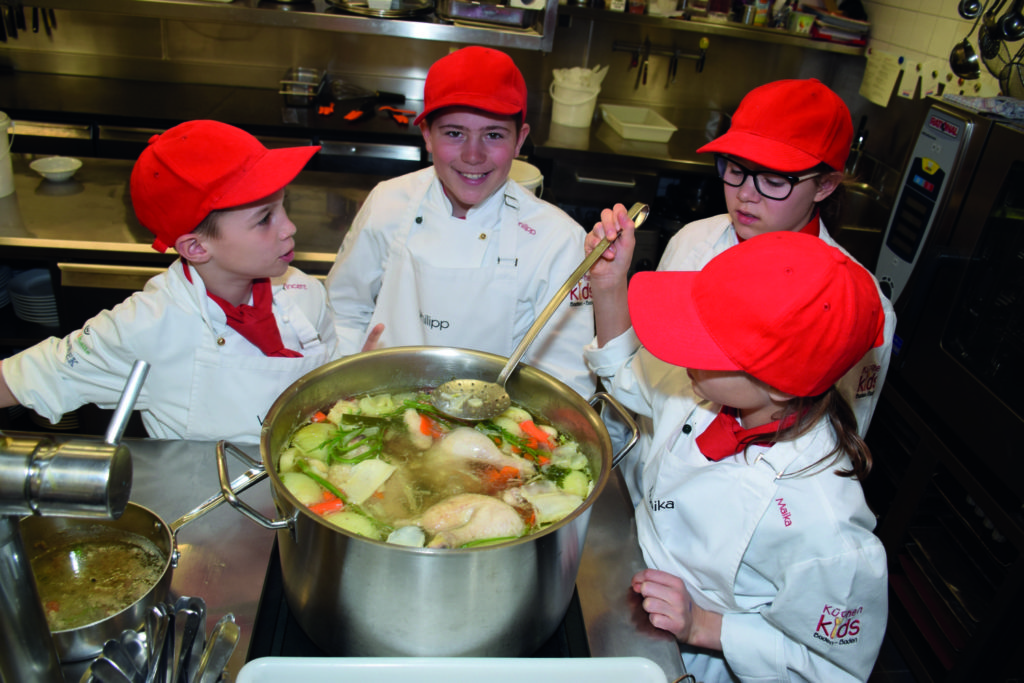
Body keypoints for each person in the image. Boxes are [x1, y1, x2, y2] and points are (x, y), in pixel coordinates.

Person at [584, 225, 888, 682]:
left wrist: (705, 625)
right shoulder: (711, 390)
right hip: (629, 584)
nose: (683, 350)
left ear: (780, 386)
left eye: (705, 344)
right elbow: (628, 373)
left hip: (694, 663)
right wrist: (609, 285)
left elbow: (833, 670)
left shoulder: (827, 528)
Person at [0, 120, 340, 443]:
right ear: (196, 247)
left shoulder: (302, 291)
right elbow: (30, 375)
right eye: (265, 219)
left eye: (283, 206)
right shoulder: (148, 325)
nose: (289, 227)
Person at [325, 46, 595, 398]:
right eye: (454, 133)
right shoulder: (389, 202)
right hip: (381, 402)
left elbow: (566, 377)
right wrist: (349, 384)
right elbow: (344, 309)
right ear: (426, 134)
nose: (473, 155)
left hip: (497, 425)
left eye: (494, 135)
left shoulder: (556, 239)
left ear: (520, 140)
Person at [653, 78, 895, 437]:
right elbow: (648, 374)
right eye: (735, 170)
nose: (746, 195)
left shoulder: (857, 309)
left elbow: (837, 437)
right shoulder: (694, 242)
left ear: (825, 185)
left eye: (773, 180)